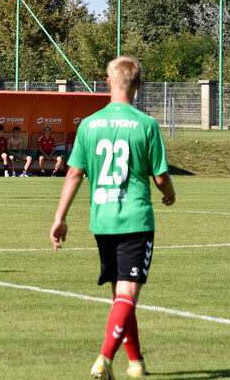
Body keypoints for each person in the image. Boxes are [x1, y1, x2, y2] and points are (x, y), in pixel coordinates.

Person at [50, 56, 176, 380]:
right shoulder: (146, 125)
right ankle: (104, 360)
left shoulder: (89, 124)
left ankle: (135, 363)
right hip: (135, 220)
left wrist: (60, 217)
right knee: (128, 294)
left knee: (122, 294)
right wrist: (171, 193)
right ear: (140, 85)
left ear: (106, 82)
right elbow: (160, 177)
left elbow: (74, 174)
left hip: (102, 221)